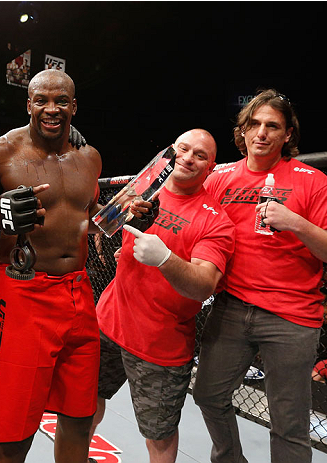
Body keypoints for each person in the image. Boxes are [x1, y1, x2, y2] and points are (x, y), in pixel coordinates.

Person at [0, 69, 156, 463]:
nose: (51, 109)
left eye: (61, 101)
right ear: (29, 104)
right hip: (22, 293)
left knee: (79, 415)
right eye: (42, 100)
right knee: (16, 431)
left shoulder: (89, 157)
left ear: (73, 106)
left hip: (78, 293)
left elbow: (87, 216)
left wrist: (129, 214)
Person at [192, 89, 327, 462]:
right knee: (207, 395)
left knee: (288, 425)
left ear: (287, 135)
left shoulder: (312, 181)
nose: (261, 133)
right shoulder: (220, 179)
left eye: (273, 126)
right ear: (243, 131)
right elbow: (190, 222)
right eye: (254, 124)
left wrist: (297, 224)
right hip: (231, 307)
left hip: (291, 316)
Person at [89, 129, 235, 463]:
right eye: (183, 149)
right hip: (108, 321)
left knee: (158, 435)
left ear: (211, 168)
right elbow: (104, 226)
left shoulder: (216, 222)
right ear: (171, 151)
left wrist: (166, 259)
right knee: (86, 403)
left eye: (200, 155)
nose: (187, 158)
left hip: (159, 345)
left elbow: (204, 284)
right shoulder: (145, 186)